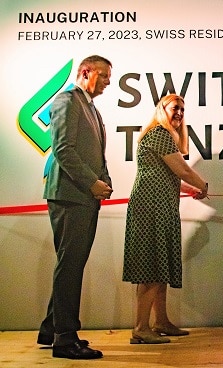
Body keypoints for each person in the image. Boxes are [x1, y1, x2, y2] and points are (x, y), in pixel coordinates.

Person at [38, 55, 113, 359]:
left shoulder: (90, 108)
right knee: (70, 267)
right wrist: (91, 183)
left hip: (82, 196)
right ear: (86, 72)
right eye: (105, 76)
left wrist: (103, 179)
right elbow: (63, 150)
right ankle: (65, 339)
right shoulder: (67, 101)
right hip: (69, 196)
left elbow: (95, 153)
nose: (109, 82)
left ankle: (51, 329)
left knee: (71, 265)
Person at [123, 94, 209, 344]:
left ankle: (160, 322)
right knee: (151, 267)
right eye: (175, 108)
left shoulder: (163, 135)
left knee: (160, 267)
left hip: (161, 208)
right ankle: (141, 328)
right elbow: (182, 169)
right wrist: (202, 185)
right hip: (151, 209)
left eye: (183, 109)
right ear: (162, 109)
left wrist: (190, 189)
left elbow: (167, 175)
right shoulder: (159, 134)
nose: (180, 113)